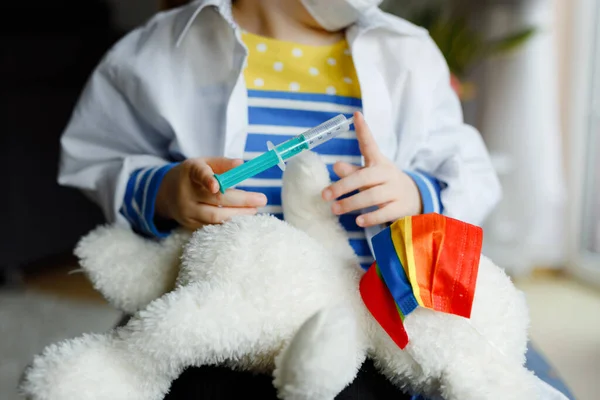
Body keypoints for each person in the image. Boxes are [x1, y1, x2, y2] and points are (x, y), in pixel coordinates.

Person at [57, 0, 501, 398]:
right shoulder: (161, 48)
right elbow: (94, 156)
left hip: (373, 319)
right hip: (219, 308)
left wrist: (414, 193)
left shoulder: (408, 53)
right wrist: (166, 191)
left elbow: (468, 175)